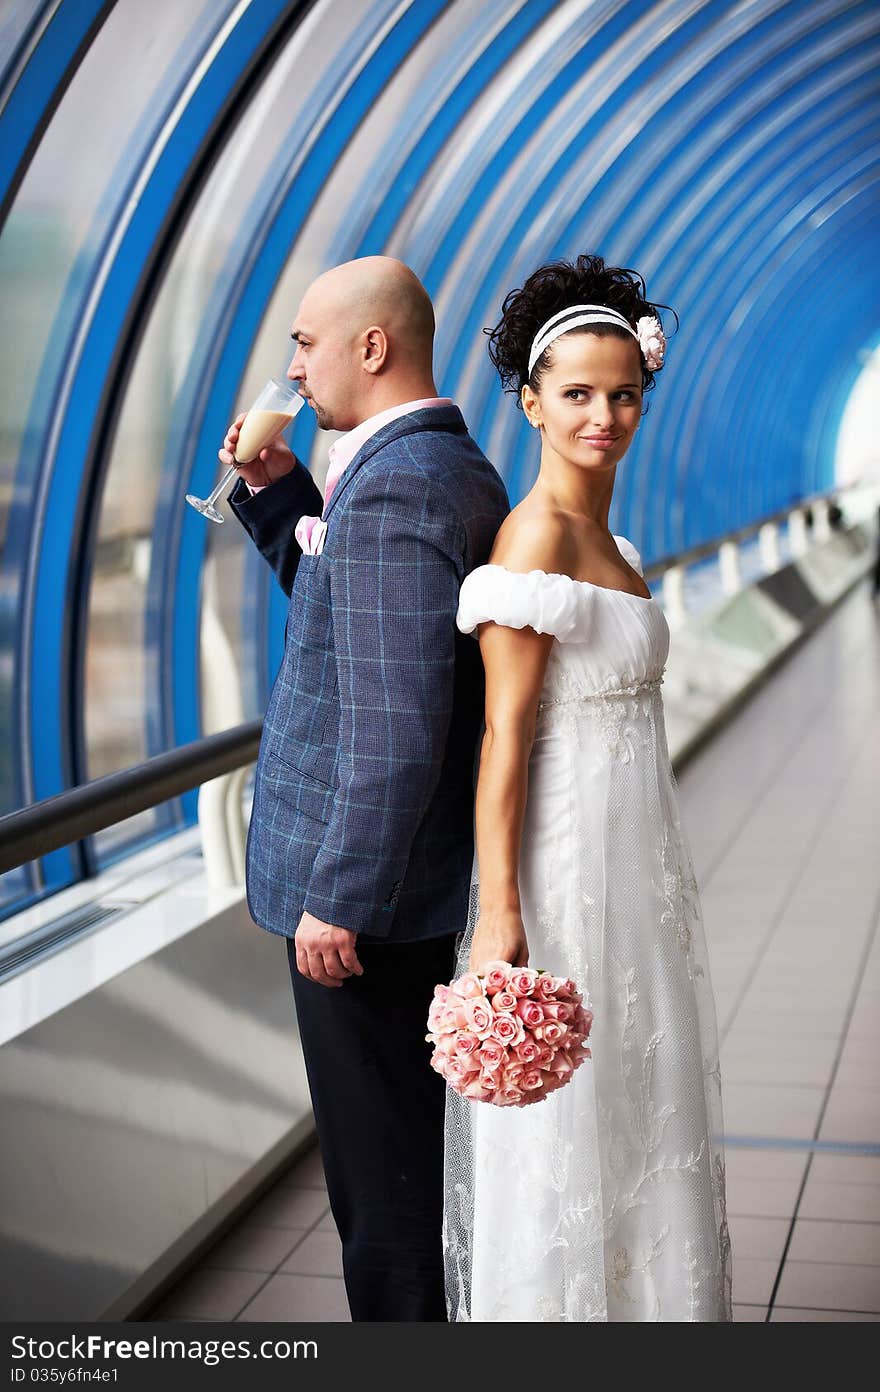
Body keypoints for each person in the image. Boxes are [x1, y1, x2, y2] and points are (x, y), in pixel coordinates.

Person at [442, 253, 733, 1322]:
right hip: (563, 865)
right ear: (529, 404)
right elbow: (504, 739)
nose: (603, 415)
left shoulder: (615, 544)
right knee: (572, 1119)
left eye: (622, 394)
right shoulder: (535, 540)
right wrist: (503, 916)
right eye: (576, 395)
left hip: (637, 858)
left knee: (641, 1099)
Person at [219, 256, 509, 1321]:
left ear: (372, 347)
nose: (294, 369)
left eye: (304, 342)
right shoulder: (435, 465)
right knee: (401, 1174)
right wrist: (272, 491)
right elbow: (356, 623)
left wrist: (337, 893)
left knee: (384, 1194)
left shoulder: (394, 483)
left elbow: (394, 728)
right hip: (403, 889)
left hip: (366, 911)